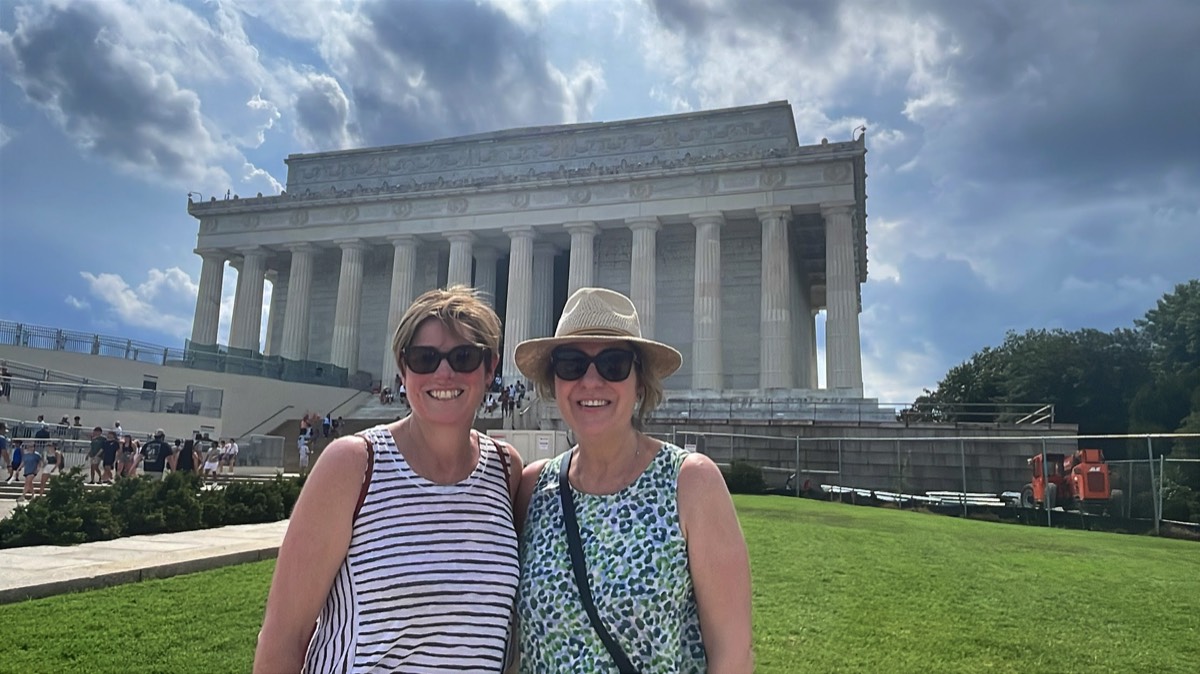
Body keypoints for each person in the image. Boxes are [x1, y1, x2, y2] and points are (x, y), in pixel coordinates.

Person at [255, 285, 522, 673]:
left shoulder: (505, 470)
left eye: (463, 357)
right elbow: (284, 636)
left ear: (490, 368)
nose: (443, 373)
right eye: (424, 358)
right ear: (403, 368)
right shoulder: (353, 465)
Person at [513, 287, 753, 672]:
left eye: (614, 364)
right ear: (553, 380)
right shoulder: (534, 489)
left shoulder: (690, 484)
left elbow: (733, 654)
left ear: (640, 382)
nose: (591, 381)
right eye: (572, 364)